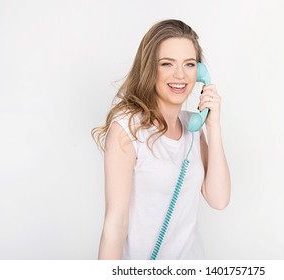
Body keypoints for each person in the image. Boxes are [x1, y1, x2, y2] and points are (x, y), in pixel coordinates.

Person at [92, 19, 230, 260]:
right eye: (167, 64)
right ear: (150, 68)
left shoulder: (193, 127)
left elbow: (218, 199)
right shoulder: (128, 128)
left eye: (189, 64)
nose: (180, 75)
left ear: (199, 73)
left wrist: (213, 125)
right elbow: (115, 222)